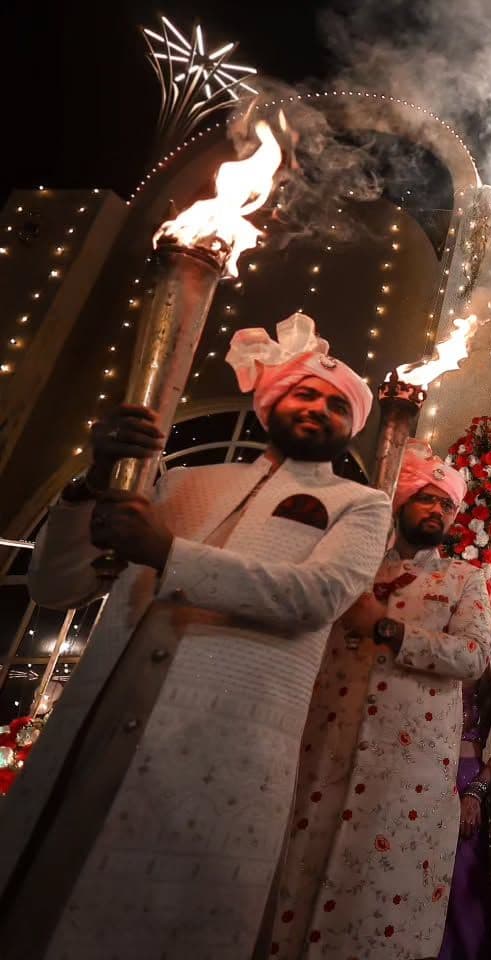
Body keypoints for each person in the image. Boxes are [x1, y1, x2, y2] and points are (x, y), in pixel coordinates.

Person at [0, 313, 391, 958]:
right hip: (99, 725)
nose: (318, 408)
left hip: (221, 748)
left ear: (350, 426)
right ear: (270, 403)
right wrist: (94, 483)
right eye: (304, 393)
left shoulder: (361, 504)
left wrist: (166, 552)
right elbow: (57, 585)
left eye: (336, 405)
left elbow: (316, 598)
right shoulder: (184, 481)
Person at [269, 440, 491, 958]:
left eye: (447, 505)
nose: (437, 510)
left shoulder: (463, 578)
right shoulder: (355, 567)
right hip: (326, 747)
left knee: (386, 893)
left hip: (409, 768)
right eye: (427, 498)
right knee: (299, 879)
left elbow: (474, 656)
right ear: (401, 500)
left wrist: (389, 630)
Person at [439, 666, 491, 960]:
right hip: (425, 776)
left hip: (468, 780)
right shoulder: (434, 667)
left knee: (462, 881)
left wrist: (475, 793)